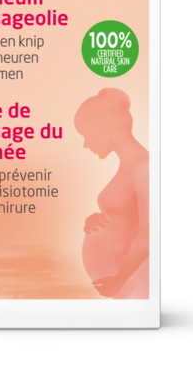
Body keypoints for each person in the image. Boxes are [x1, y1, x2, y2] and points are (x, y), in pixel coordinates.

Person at [75, 88, 149, 298]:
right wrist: (101, 220)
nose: (85, 144)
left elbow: (150, 232)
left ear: (108, 127)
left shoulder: (144, 168)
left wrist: (120, 279)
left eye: (87, 135)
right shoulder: (130, 167)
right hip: (127, 288)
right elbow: (129, 216)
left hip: (136, 284)